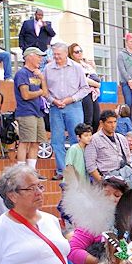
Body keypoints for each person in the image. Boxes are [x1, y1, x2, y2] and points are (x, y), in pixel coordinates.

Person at [44, 43, 90, 180]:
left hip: (74, 106)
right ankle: (62, 171)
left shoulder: (77, 68)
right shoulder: (47, 68)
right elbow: (44, 90)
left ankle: (78, 170)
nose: (56, 57)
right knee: (57, 140)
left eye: (59, 54)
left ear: (66, 54)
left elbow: (85, 88)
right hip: (55, 107)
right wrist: (53, 100)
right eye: (54, 54)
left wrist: (71, 99)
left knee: (76, 138)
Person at [84, 110, 132, 186]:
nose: (113, 125)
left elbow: (128, 160)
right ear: (102, 123)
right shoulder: (94, 140)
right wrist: (102, 183)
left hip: (125, 174)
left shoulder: (121, 138)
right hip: (108, 176)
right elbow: (90, 166)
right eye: (109, 122)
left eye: (115, 122)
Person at [67, 43, 102, 128]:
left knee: (96, 119)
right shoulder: (72, 65)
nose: (79, 53)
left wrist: (93, 67)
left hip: (93, 93)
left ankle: (92, 138)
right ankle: (85, 138)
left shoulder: (85, 64)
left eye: (80, 51)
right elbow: (83, 80)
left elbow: (96, 76)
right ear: (71, 54)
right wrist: (97, 84)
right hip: (83, 93)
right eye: (76, 52)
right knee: (88, 119)